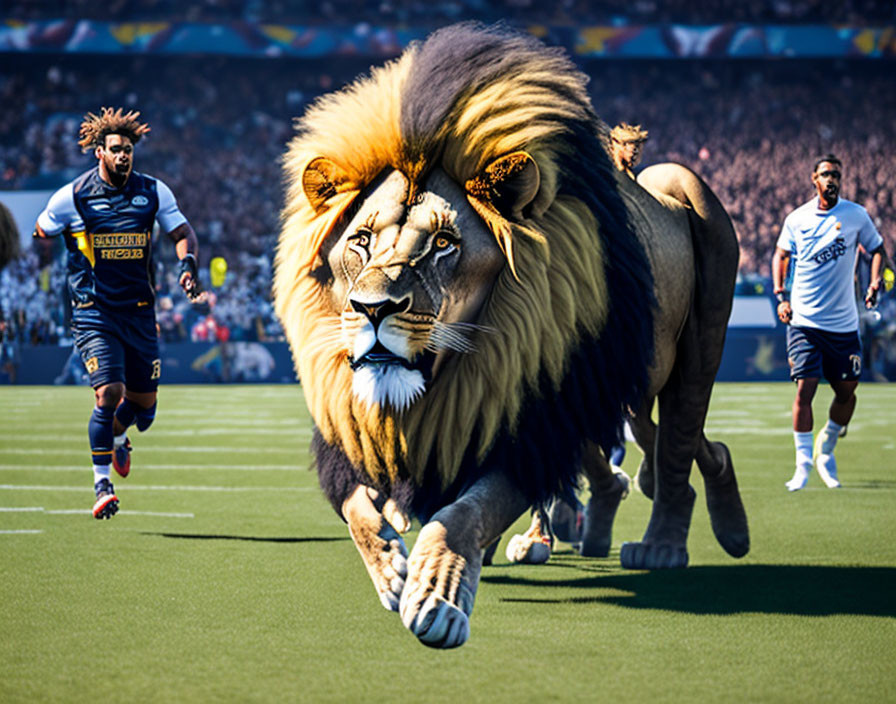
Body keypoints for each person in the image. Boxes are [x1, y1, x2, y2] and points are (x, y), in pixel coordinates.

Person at [33, 107, 206, 519]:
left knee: (144, 411)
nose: (124, 156)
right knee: (108, 393)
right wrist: (57, 249)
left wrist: (188, 265)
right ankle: (101, 484)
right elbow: (42, 228)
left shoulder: (152, 192)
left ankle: (118, 439)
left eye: (128, 150)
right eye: (116, 150)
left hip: (141, 313)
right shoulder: (72, 196)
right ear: (99, 153)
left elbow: (182, 233)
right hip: (95, 312)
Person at [772, 154, 885, 491]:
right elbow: (781, 255)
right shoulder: (797, 218)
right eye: (826, 174)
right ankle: (802, 465)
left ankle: (827, 446)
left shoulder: (855, 215)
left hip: (844, 324)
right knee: (805, 389)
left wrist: (875, 281)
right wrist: (781, 296)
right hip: (805, 320)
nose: (831, 179)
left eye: (836, 174)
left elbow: (877, 249)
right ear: (814, 179)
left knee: (847, 393)